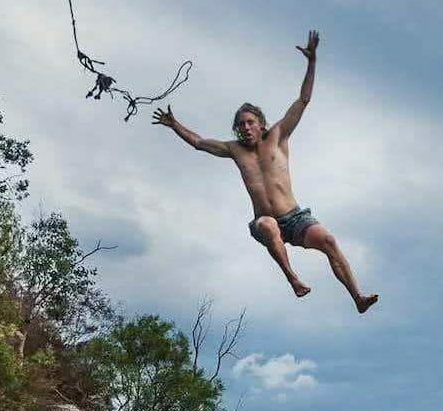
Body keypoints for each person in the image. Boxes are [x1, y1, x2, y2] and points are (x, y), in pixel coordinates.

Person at [152, 30, 378, 313]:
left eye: (250, 122)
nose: (245, 128)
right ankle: (293, 279)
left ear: (261, 123)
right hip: (265, 221)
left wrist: (311, 62)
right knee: (269, 225)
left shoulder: (278, 136)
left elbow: (303, 100)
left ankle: (358, 297)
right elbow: (199, 143)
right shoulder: (234, 149)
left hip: (296, 218)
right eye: (241, 124)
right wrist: (175, 125)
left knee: (329, 241)